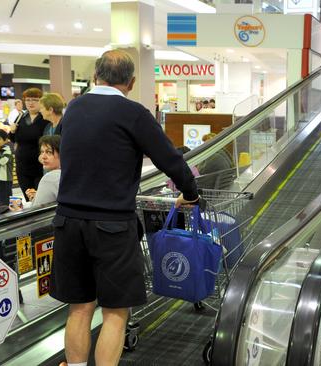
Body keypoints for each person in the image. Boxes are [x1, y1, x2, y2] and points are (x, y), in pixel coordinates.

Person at [50, 49, 200, 366]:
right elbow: (169, 159)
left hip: (68, 221)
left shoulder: (74, 108)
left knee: (79, 307)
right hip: (112, 226)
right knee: (115, 312)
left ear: (95, 77)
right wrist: (190, 191)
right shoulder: (132, 113)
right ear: (131, 82)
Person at [9, 88, 49, 201]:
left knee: (40, 199)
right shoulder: (21, 117)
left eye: (35, 100)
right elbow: (13, 139)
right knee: (28, 198)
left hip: (40, 166)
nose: (31, 103)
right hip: (22, 167)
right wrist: (11, 131)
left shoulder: (44, 118)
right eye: (28, 100)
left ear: (41, 101)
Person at [21, 135, 61, 208]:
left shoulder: (50, 178)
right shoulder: (72, 173)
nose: (43, 157)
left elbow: (36, 211)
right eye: (42, 152)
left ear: (62, 154)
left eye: (49, 152)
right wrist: (38, 196)